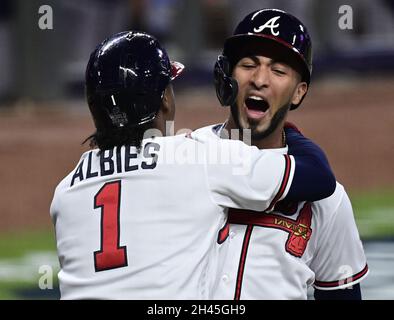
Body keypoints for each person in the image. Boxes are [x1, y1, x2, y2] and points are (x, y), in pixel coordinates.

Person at [50, 31, 336, 299]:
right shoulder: (198, 157)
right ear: (164, 100)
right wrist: (286, 127)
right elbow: (318, 176)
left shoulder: (65, 193)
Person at [195, 9, 368, 300]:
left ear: (299, 92)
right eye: (248, 65)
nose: (260, 79)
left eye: (278, 71)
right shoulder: (184, 158)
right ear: (227, 76)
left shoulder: (329, 201)